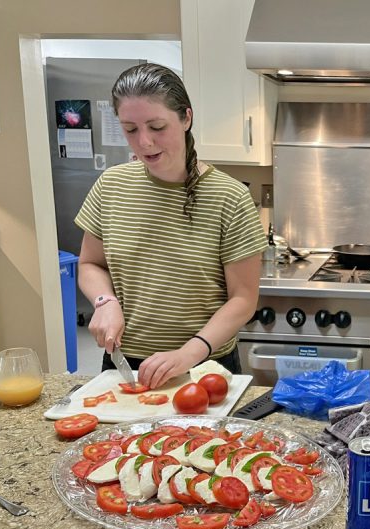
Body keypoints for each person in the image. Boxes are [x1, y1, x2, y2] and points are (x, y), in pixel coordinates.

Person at [75, 63, 267, 389]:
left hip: (204, 370)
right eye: (131, 129)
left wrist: (188, 354)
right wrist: (104, 302)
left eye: (157, 126)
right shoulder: (110, 186)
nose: (145, 142)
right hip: (124, 365)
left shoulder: (229, 197)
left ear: (186, 118)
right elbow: (90, 264)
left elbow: (244, 299)